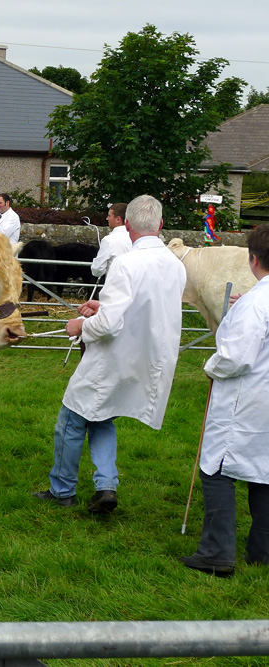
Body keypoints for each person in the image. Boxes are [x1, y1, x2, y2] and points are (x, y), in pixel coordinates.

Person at [34, 194, 186, 514]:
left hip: (112, 358)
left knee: (71, 419)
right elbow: (145, 308)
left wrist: (80, 326)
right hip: (145, 359)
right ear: (160, 225)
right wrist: (103, 305)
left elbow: (108, 325)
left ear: (126, 223)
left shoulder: (126, 263)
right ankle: (106, 485)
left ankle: (62, 490)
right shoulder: (175, 264)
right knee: (102, 418)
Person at [181, 224, 269, 578]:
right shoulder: (254, 302)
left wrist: (211, 366)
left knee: (216, 468)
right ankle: (263, 550)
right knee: (264, 469)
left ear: (253, 259)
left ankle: (217, 554)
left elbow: (236, 357)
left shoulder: (256, 303)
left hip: (245, 400)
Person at [90, 203, 131, 278]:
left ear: (118, 219)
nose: (107, 219)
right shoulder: (136, 238)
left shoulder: (109, 240)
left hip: (116, 285)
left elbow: (97, 270)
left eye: (109, 216)